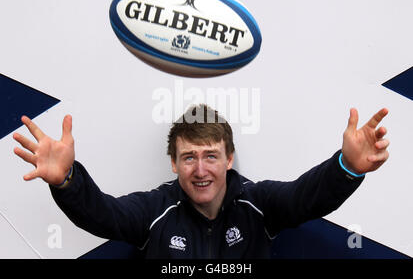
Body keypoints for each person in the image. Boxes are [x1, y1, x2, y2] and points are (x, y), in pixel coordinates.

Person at [13, 104, 390, 258]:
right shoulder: (152, 211)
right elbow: (103, 214)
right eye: (188, 157)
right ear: (173, 164)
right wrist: (67, 180)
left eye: (210, 155)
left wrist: (347, 168)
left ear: (229, 159)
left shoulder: (259, 204)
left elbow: (308, 197)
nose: (200, 169)